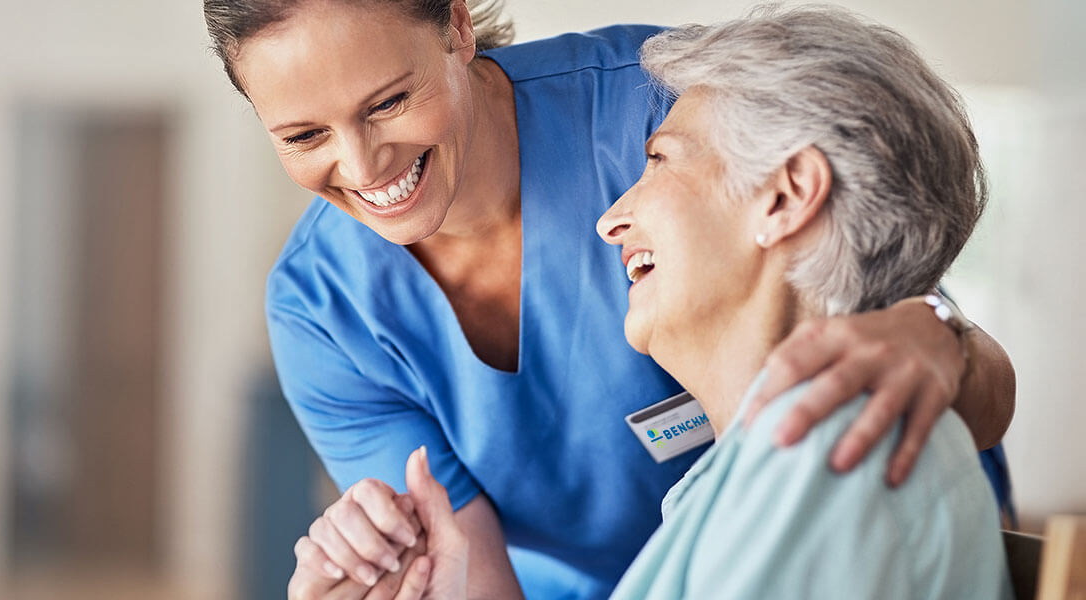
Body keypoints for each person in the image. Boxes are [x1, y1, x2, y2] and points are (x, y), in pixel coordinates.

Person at [200, 1, 1017, 597]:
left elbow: (878, 272)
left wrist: (934, 330)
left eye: (388, 102)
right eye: (304, 136)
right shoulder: (321, 306)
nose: (364, 164)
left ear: (455, 27)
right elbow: (465, 573)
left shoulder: (671, 107)